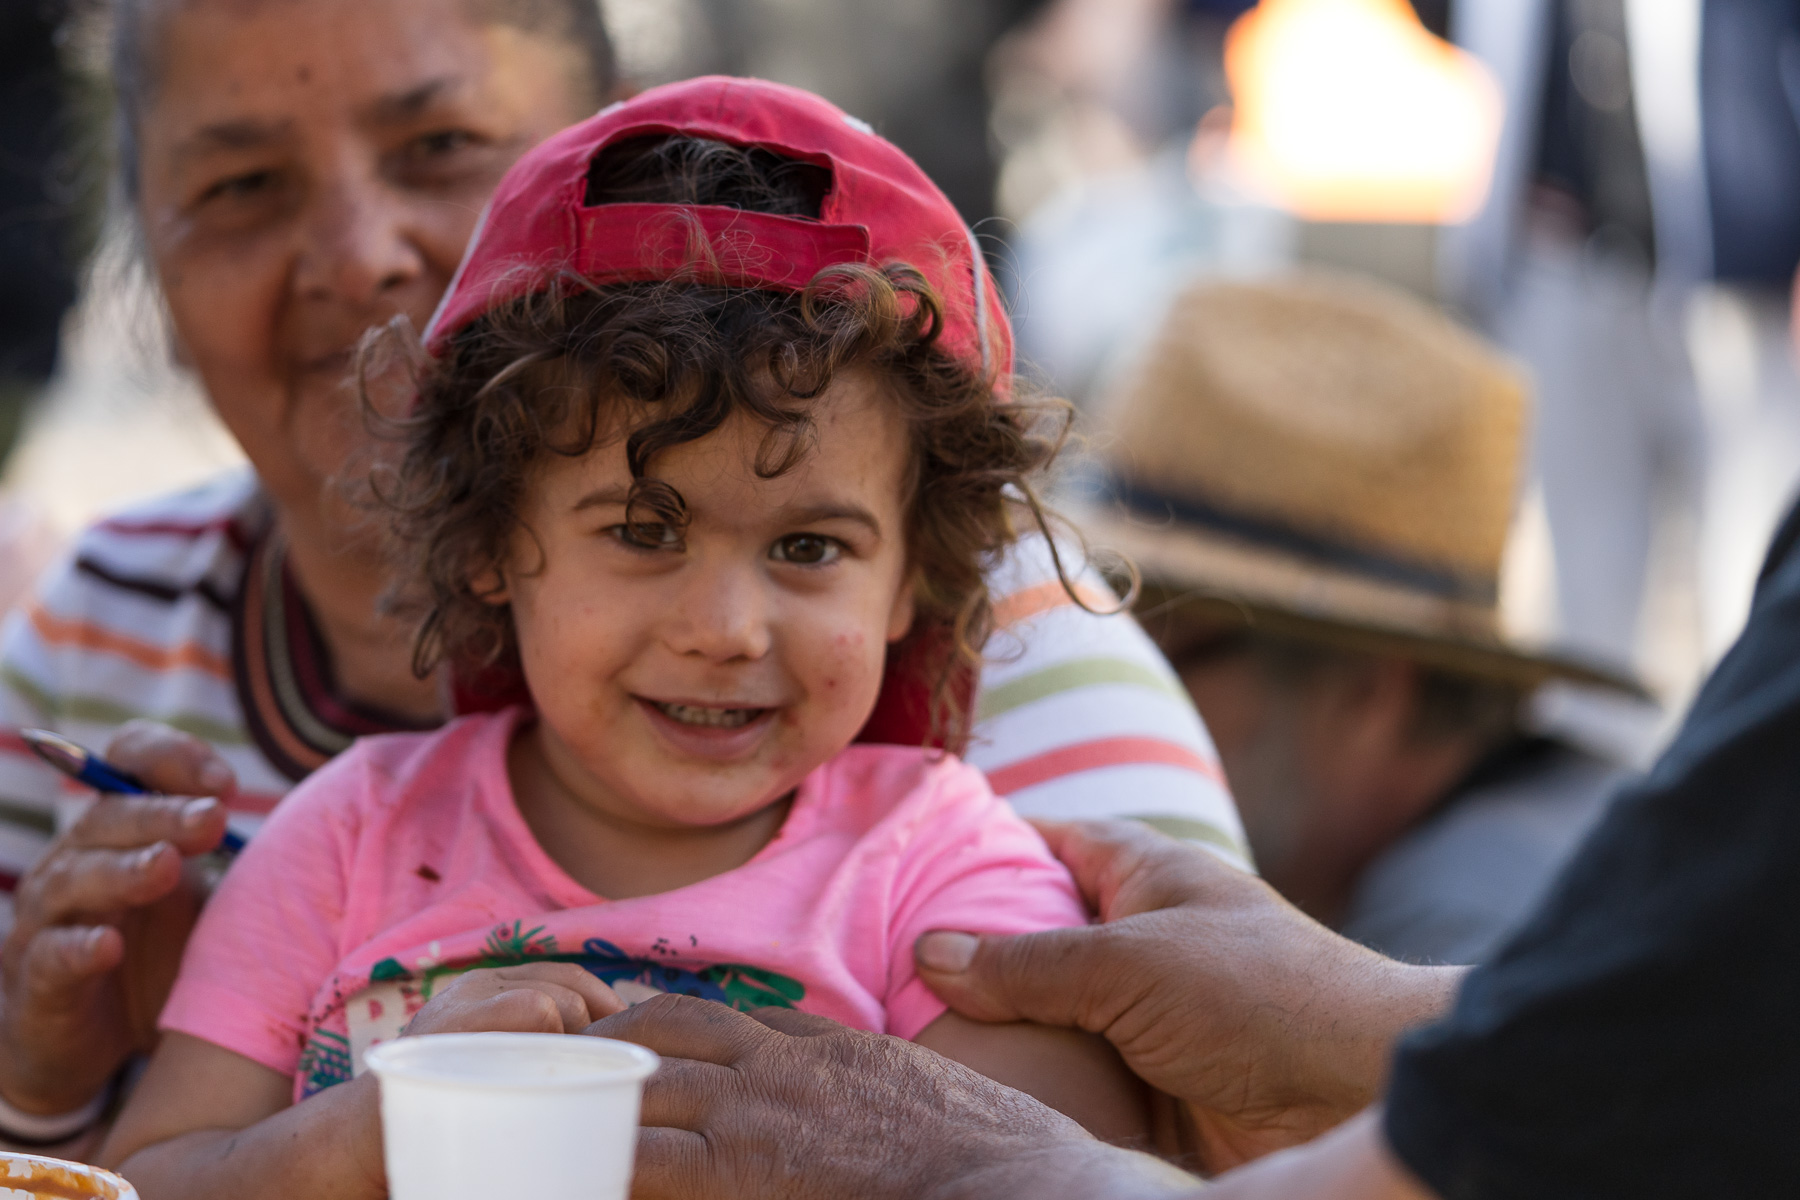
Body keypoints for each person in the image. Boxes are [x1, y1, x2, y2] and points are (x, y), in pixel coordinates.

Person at [0, 0, 1240, 1153]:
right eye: (644, 531)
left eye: (809, 548)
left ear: (921, 575)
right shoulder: (346, 837)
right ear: (487, 542)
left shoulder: (945, 875)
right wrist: (379, 1130)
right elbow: (156, 1175)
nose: (724, 627)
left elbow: (1062, 1177)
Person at [592, 482, 1800, 1198]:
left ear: (1370, 691)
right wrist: (1345, 1023)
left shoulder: (1471, 898)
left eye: (1174, 638)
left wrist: (996, 1174)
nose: (1125, 674)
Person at [1080, 273, 1640, 962]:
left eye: (1149, 662)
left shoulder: (1451, 935)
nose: (1093, 699)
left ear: (1367, 692)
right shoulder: (1547, 845)